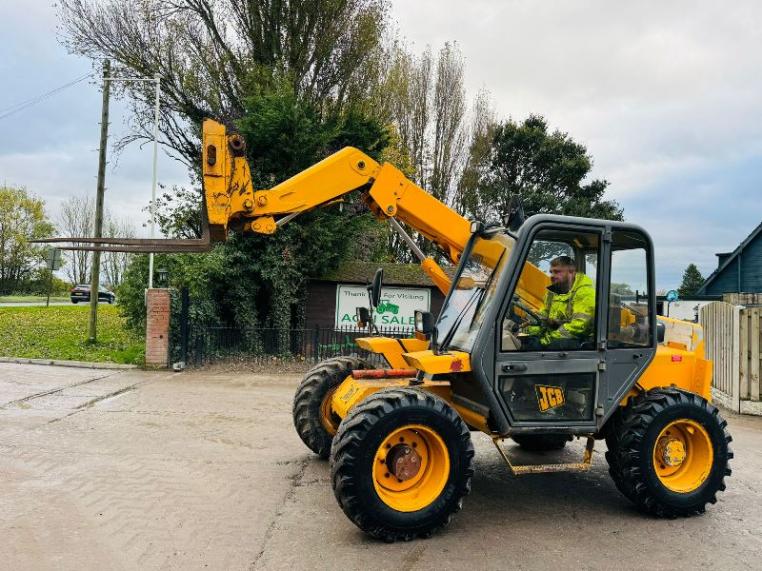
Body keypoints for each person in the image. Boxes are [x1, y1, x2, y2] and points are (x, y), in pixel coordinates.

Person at [522, 256, 595, 349]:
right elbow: (543, 316)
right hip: (555, 335)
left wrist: (545, 340)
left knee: (552, 346)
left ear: (571, 272)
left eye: (557, 272)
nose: (552, 276)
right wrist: (528, 330)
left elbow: (578, 327)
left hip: (579, 341)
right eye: (551, 272)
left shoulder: (585, 293)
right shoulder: (552, 292)